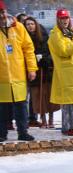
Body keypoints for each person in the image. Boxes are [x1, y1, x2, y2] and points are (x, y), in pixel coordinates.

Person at [0, 1, 37, 142]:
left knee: (21, 106)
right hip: (2, 77)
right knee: (2, 108)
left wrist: (32, 69)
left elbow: (28, 49)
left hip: (18, 75)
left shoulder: (18, 27)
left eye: (3, 12)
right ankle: (1, 133)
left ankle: (23, 132)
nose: (2, 16)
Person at [48, 8, 73, 136]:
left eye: (66, 18)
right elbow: (64, 51)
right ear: (58, 19)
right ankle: (68, 126)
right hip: (66, 73)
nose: (65, 20)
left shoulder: (69, 32)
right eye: (62, 18)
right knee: (68, 102)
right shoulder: (56, 34)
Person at [24, 17, 59, 128]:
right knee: (38, 96)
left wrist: (44, 59)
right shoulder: (25, 38)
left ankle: (51, 119)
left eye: (32, 24)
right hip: (34, 72)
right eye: (28, 24)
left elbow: (51, 53)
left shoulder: (44, 37)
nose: (30, 26)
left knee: (49, 94)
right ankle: (43, 119)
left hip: (46, 70)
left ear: (36, 25)